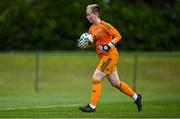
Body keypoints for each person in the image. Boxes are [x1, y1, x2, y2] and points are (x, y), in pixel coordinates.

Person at [78, 4, 142, 112]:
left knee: (96, 78)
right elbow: (96, 43)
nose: (87, 17)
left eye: (89, 14)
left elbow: (118, 36)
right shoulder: (91, 28)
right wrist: (87, 44)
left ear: (95, 14)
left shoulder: (105, 25)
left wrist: (109, 46)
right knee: (116, 83)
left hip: (110, 56)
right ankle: (136, 97)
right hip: (104, 57)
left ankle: (92, 106)